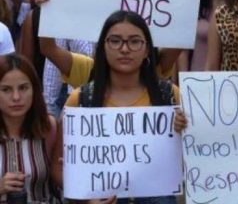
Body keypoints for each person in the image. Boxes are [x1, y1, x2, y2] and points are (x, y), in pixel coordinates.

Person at [49, 11, 179, 204]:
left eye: (134, 41)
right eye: (115, 41)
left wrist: (185, 129)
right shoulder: (81, 99)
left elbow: (195, 156)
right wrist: (86, 199)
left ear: (146, 50)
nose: (125, 49)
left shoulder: (170, 96)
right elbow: (58, 169)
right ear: (103, 47)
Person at [0, 54, 57, 203]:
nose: (16, 97)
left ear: (35, 90)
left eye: (23, 88)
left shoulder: (48, 128)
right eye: (6, 90)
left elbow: (62, 182)